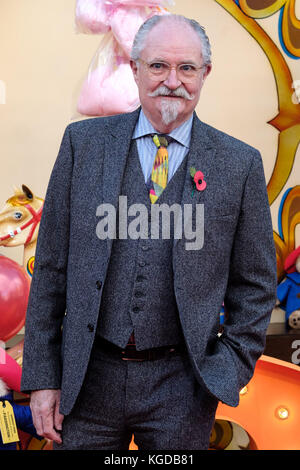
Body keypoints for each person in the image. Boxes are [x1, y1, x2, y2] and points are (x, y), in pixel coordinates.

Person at [21, 14, 277, 450]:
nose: (171, 81)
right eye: (158, 66)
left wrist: (229, 367)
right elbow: (50, 270)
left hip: (182, 389)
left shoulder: (240, 164)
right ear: (135, 68)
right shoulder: (82, 145)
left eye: (187, 68)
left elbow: (255, 284)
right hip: (88, 382)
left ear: (205, 74)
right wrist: (44, 378)